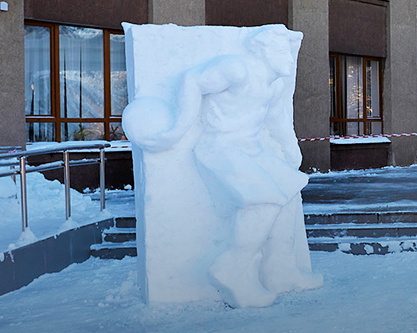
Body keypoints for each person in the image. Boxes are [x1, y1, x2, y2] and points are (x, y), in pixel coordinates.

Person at [124, 25, 321, 307]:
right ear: (263, 50)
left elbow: (276, 120)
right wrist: (178, 127)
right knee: (263, 199)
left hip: (251, 150)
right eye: (281, 50)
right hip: (220, 148)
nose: (289, 58)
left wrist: (291, 149)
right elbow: (193, 80)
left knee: (289, 192)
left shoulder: (274, 84)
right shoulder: (236, 68)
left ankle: (281, 270)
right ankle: (232, 269)